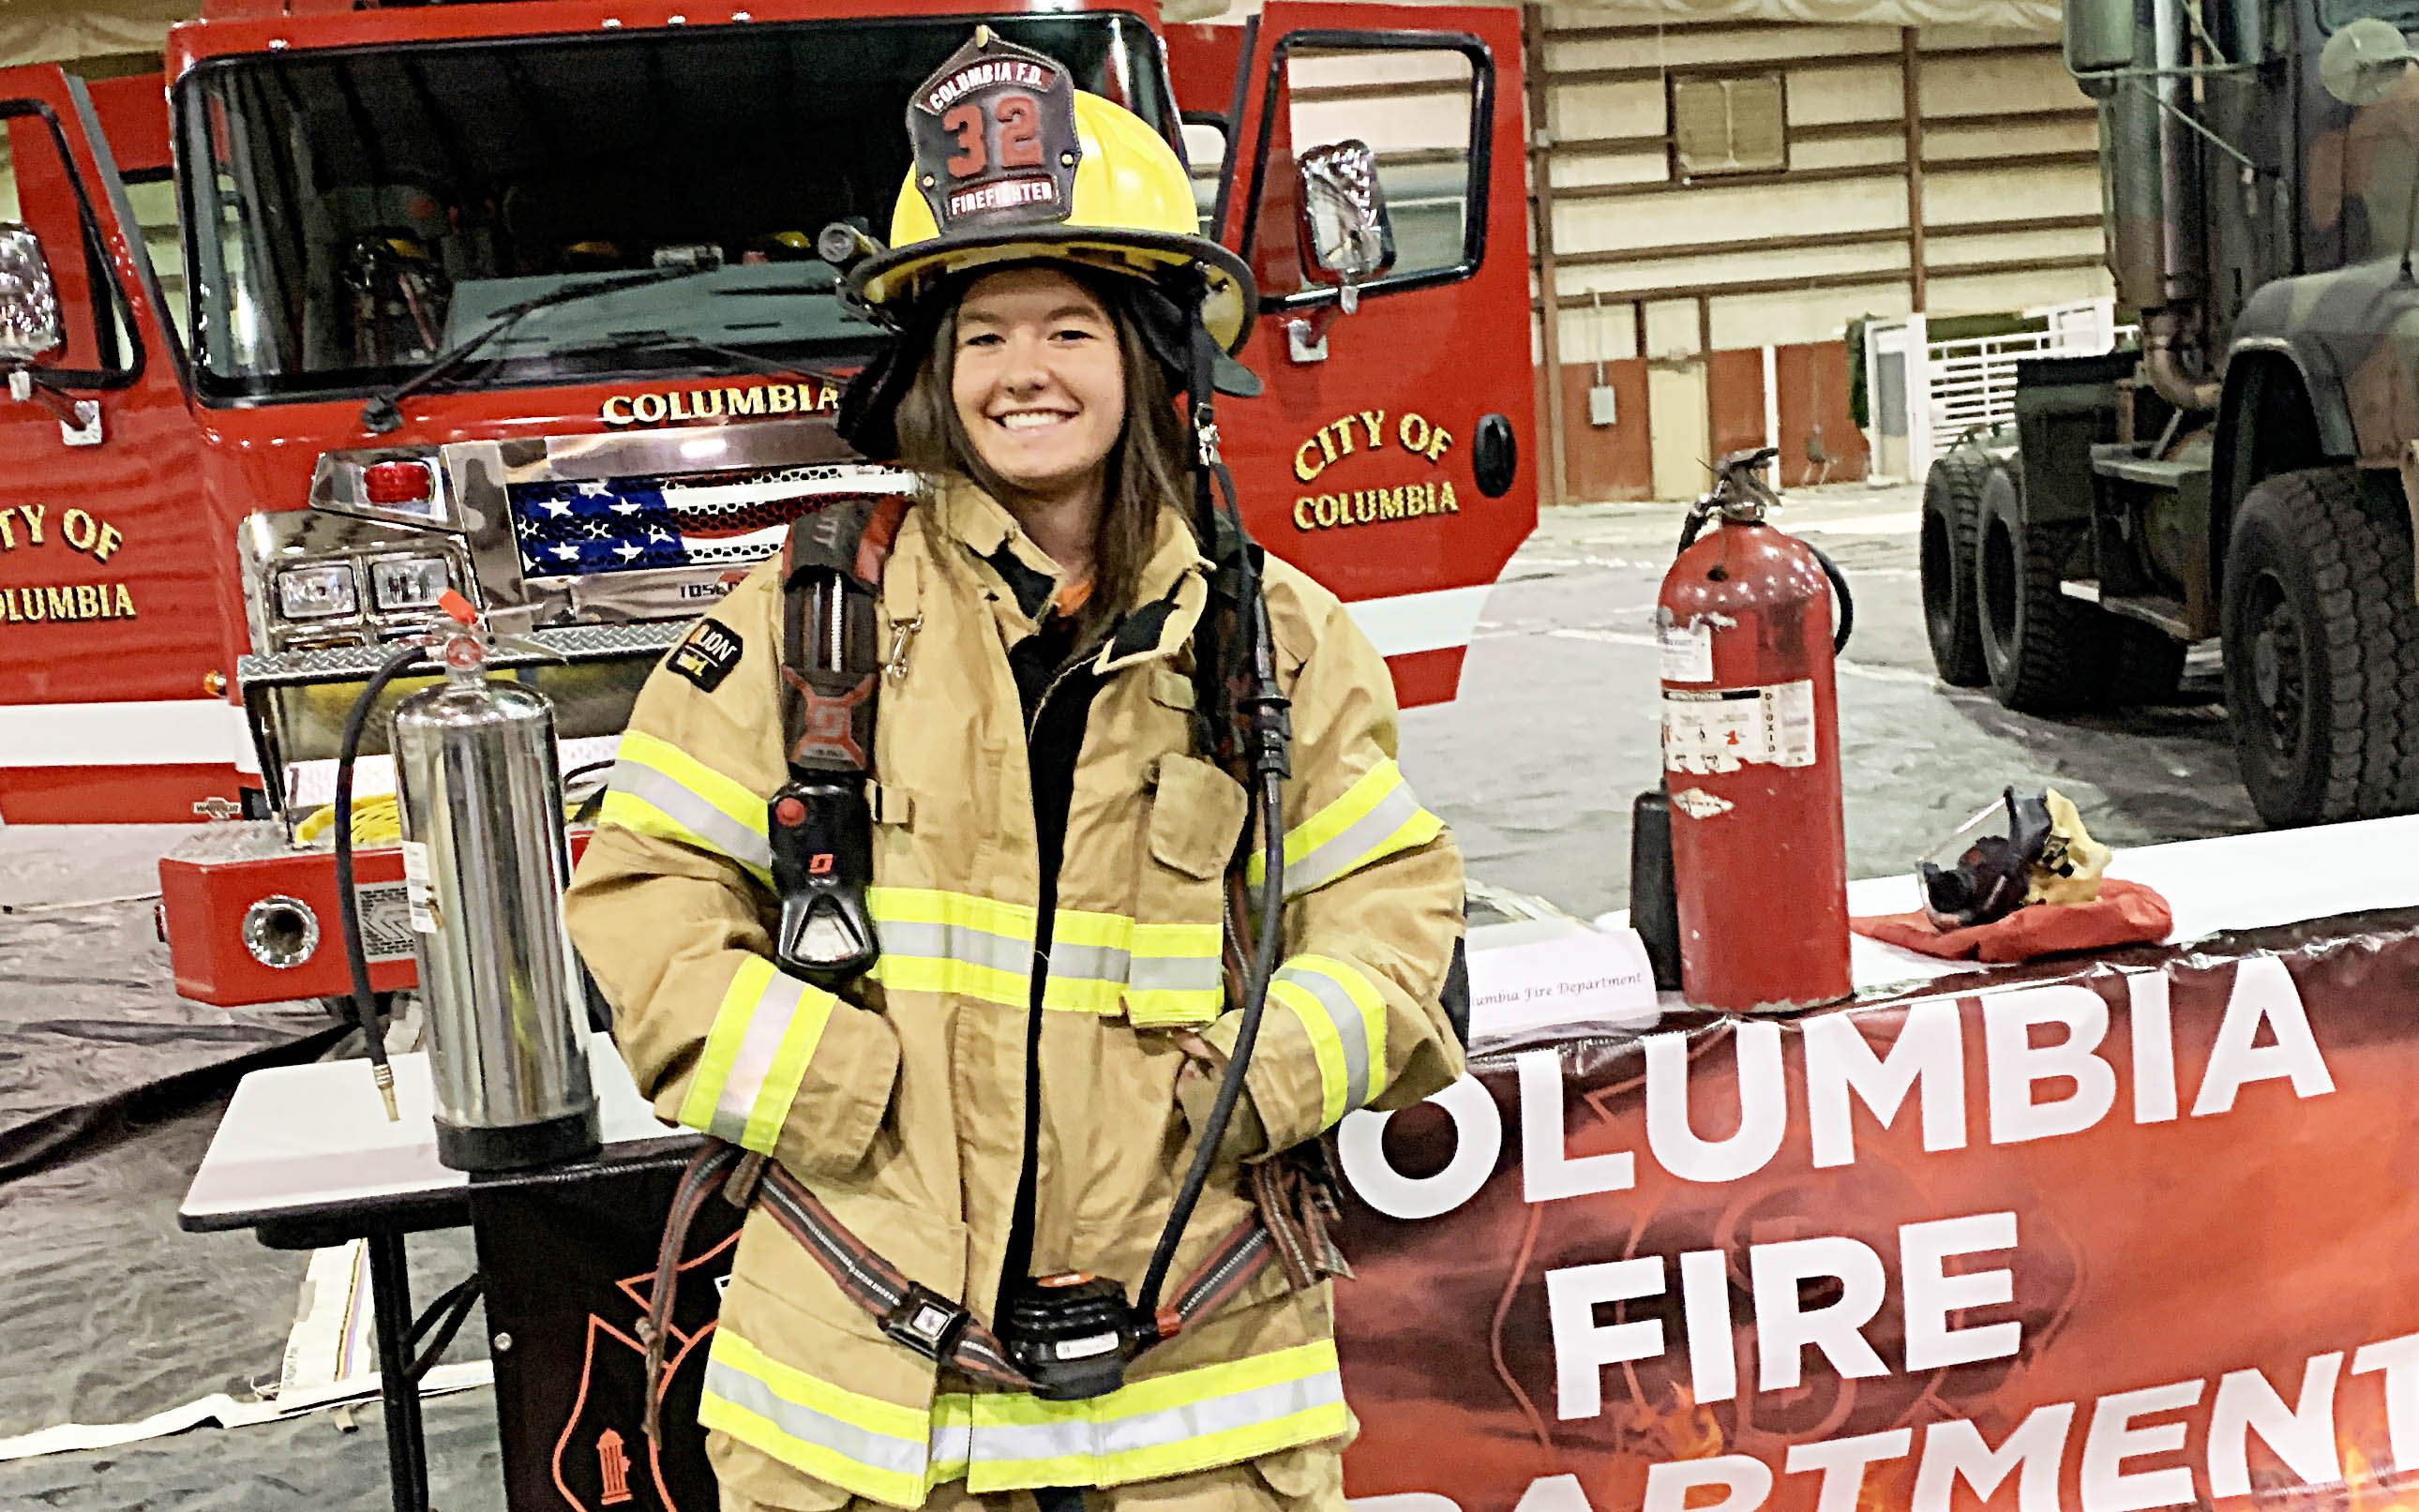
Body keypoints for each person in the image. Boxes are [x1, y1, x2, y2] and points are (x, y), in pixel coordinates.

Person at [564, 30, 1465, 1512]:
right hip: (859, 1413)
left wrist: (1259, 1084)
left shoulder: (1278, 643)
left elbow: (1395, 920)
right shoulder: (806, 627)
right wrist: (832, 1090)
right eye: (983, 334)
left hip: (1198, 1405)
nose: (1022, 373)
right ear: (932, 371)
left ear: (1151, 353)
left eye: (1068, 328)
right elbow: (642, 896)